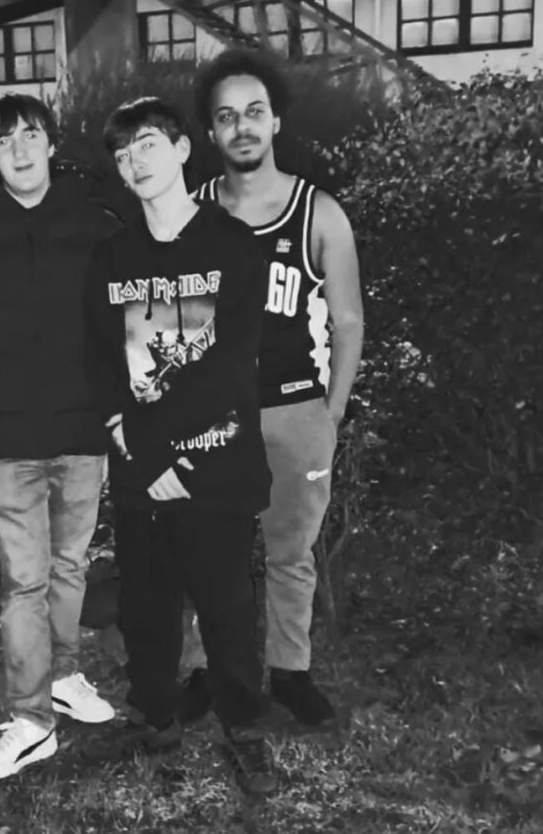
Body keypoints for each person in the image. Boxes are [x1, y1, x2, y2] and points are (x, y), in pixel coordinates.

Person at [83, 97, 277, 795]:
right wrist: (144, 452)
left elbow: (231, 363)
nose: (134, 162)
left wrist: (171, 451)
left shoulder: (233, 245)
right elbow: (100, 363)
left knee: (227, 606)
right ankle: (155, 716)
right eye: (122, 153)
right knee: (146, 603)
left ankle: (244, 726)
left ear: (183, 150)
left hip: (215, 462)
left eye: (147, 145)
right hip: (142, 468)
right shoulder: (111, 257)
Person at [0, 94, 119, 782]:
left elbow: (121, 332)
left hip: (83, 432)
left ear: (50, 142)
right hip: (4, 439)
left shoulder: (96, 226)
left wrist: (123, 419)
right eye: (3, 140)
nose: (19, 149)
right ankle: (31, 720)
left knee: (70, 569)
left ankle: (63, 676)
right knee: (23, 584)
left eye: (30, 134)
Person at [178, 47, 365, 728]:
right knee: (206, 550)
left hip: (294, 409)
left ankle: (290, 672)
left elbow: (348, 320)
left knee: (291, 552)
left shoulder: (319, 212)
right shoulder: (189, 211)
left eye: (254, 111)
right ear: (210, 131)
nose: (242, 126)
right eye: (227, 116)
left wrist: (330, 412)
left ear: (276, 120)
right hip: (212, 415)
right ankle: (204, 669)